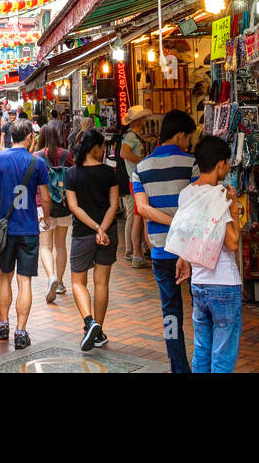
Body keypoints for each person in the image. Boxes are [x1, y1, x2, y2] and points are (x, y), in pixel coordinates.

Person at [132, 108, 198, 373]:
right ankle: (202, 362)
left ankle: (178, 366)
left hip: (161, 250)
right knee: (200, 307)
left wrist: (166, 223)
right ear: (181, 135)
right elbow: (196, 204)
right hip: (192, 250)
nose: (189, 143)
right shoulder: (191, 163)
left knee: (170, 311)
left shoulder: (141, 168)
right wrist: (179, 222)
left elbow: (143, 209)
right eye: (188, 137)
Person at [175, 135, 244, 373]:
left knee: (202, 351)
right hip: (224, 283)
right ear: (221, 164)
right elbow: (232, 242)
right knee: (223, 357)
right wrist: (233, 206)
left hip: (199, 283)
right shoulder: (218, 195)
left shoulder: (186, 194)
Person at [0, 118, 51, 350]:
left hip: (6, 230)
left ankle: (3, 325)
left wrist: (1, 198)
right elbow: (45, 196)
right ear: (30, 137)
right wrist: (48, 218)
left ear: (11, 135)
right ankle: (21, 332)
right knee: (25, 281)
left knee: (5, 276)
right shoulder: (37, 163)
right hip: (29, 229)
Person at [65, 128, 119, 351]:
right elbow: (114, 205)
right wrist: (103, 229)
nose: (104, 150)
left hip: (82, 234)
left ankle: (90, 322)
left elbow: (73, 207)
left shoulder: (71, 173)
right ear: (95, 148)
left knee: (78, 281)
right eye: (102, 146)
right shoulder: (109, 172)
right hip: (108, 233)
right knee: (101, 283)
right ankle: (99, 330)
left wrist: (96, 228)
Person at [36, 120, 74, 304]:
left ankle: (51, 276)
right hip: (64, 205)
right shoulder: (67, 154)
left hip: (43, 207)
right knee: (61, 245)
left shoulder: (36, 156)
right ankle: (59, 282)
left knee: (45, 246)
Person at [120, 105, 155, 268]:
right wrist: (142, 162)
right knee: (138, 217)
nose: (145, 121)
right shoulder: (131, 137)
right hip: (136, 181)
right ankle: (136, 254)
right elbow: (124, 153)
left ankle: (138, 253)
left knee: (139, 217)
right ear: (138, 120)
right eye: (143, 118)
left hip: (136, 180)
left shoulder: (135, 136)